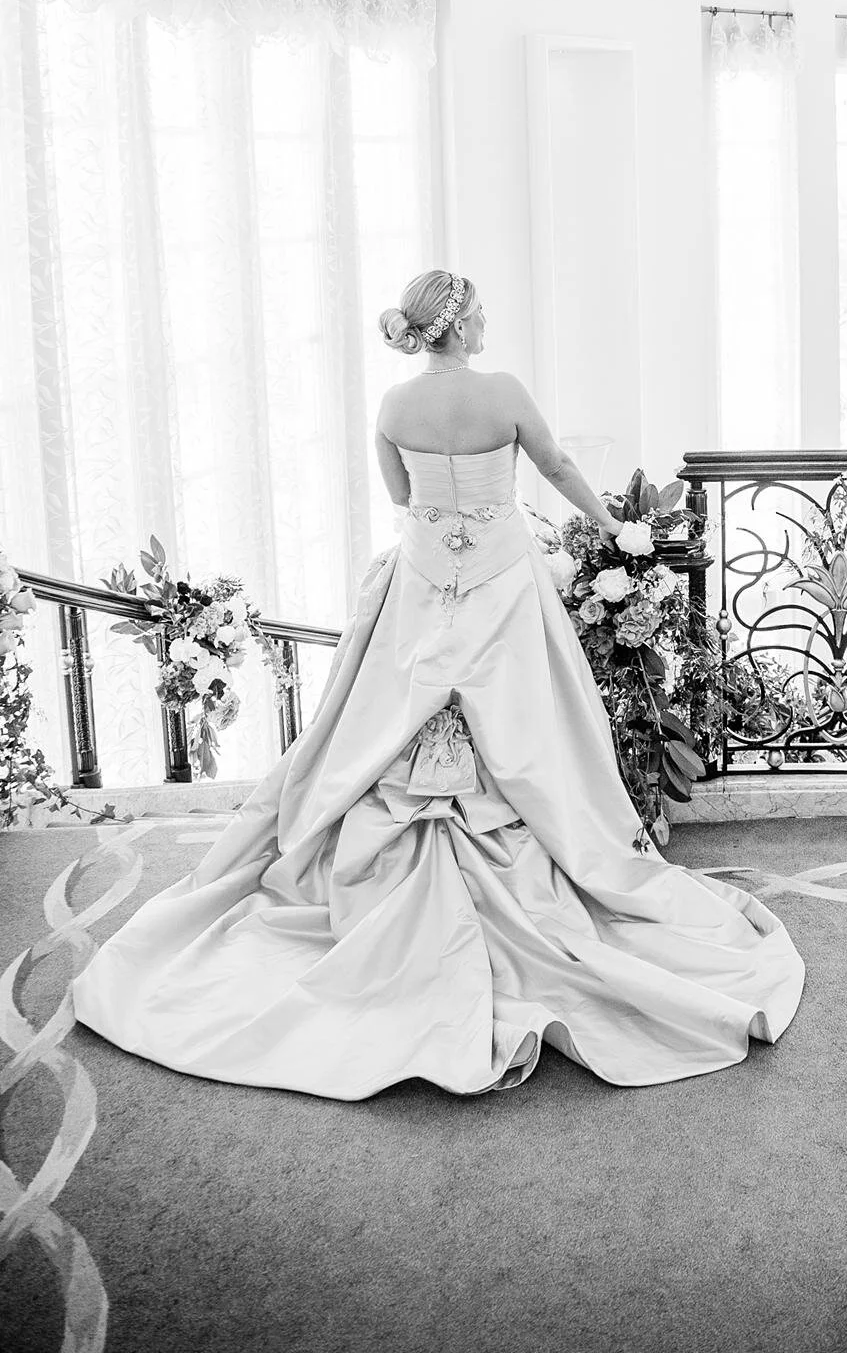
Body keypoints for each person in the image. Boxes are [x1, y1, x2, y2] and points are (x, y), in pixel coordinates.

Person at [73, 269, 804, 1096]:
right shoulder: (502, 391)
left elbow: (400, 495)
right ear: (458, 324)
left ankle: (387, 865)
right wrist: (619, 531)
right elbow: (558, 466)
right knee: (532, 720)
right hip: (502, 575)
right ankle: (544, 854)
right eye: (481, 308)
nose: (489, 318)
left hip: (424, 575)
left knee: (388, 715)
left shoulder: (392, 407)